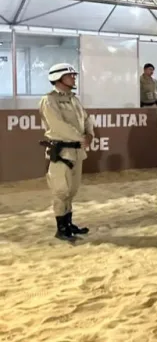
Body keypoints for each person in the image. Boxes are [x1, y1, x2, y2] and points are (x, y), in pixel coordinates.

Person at [40, 63, 94, 241]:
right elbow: (58, 125)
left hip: (76, 152)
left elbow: (86, 119)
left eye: (73, 75)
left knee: (72, 190)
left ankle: (68, 223)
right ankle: (61, 228)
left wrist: (90, 134)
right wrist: (81, 137)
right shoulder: (49, 100)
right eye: (70, 75)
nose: (73, 78)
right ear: (58, 78)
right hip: (62, 152)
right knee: (61, 190)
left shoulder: (74, 99)